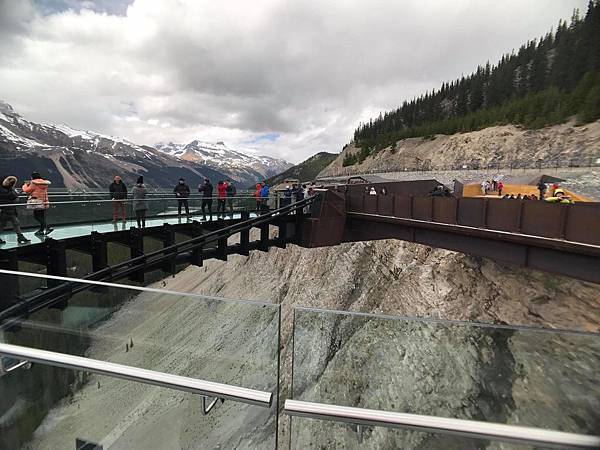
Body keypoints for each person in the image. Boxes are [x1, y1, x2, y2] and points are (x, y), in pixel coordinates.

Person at [0, 176, 30, 244]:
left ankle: (20, 236)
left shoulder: (6, 190)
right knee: (15, 223)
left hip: (4, 209)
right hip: (8, 210)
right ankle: (20, 236)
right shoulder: (11, 192)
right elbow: (14, 197)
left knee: (3, 224)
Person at [22, 171, 53, 236]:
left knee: (36, 216)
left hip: (37, 202)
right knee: (41, 216)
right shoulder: (44, 183)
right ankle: (41, 230)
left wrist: (25, 185)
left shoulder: (34, 183)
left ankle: (48, 227)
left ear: (32, 177)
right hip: (44, 201)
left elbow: (26, 190)